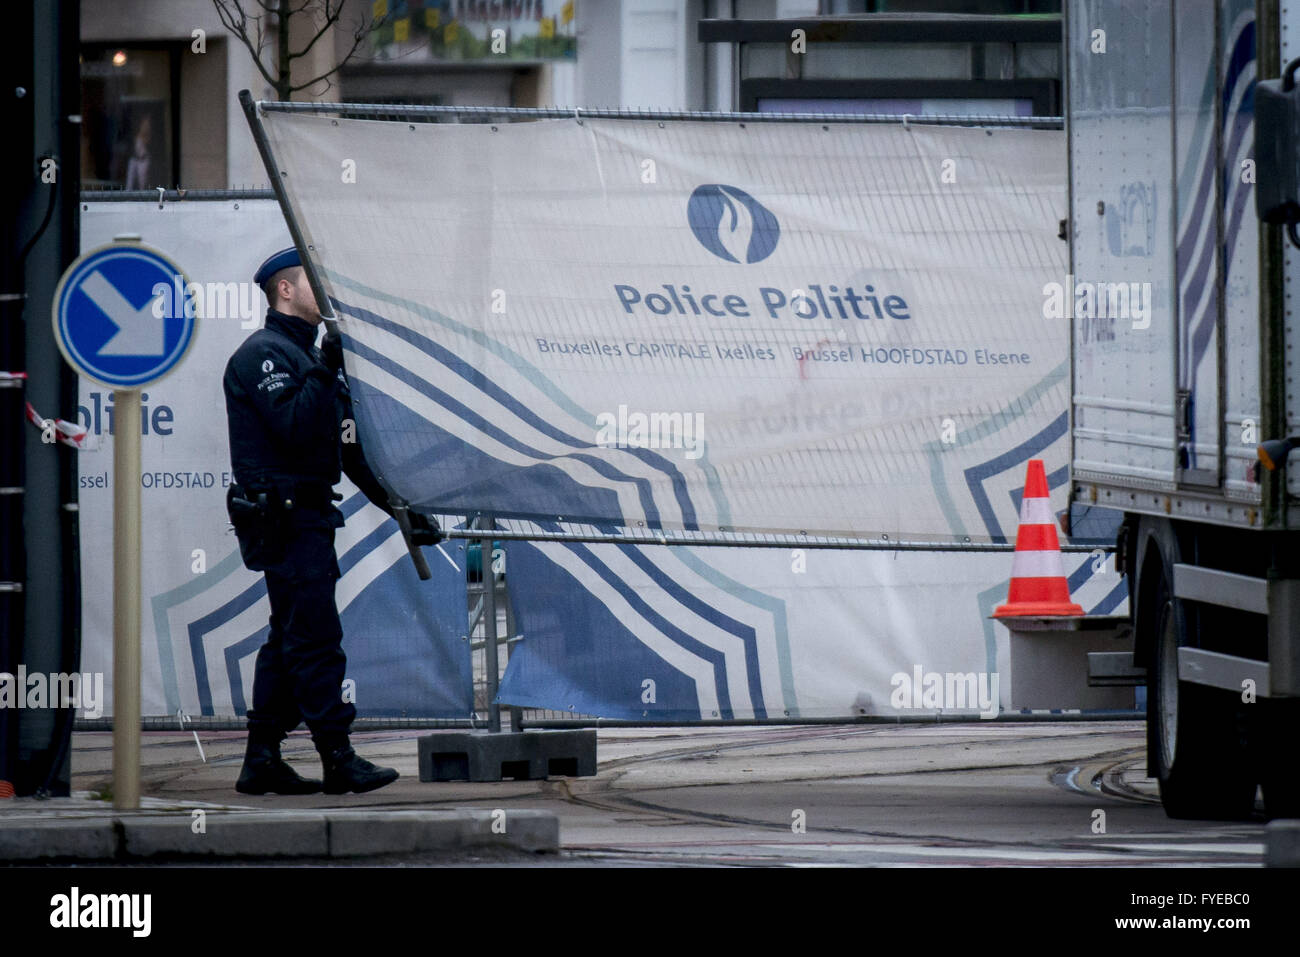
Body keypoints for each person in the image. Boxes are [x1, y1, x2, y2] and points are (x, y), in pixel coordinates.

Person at [223, 246, 441, 795]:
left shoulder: (315, 361)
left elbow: (348, 450)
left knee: (288, 637)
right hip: (285, 518)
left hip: (309, 517)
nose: (326, 295)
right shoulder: (264, 355)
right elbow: (297, 427)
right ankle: (338, 758)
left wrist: (403, 510)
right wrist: (324, 368)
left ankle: (262, 759)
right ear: (286, 291)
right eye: (312, 283)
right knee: (315, 638)